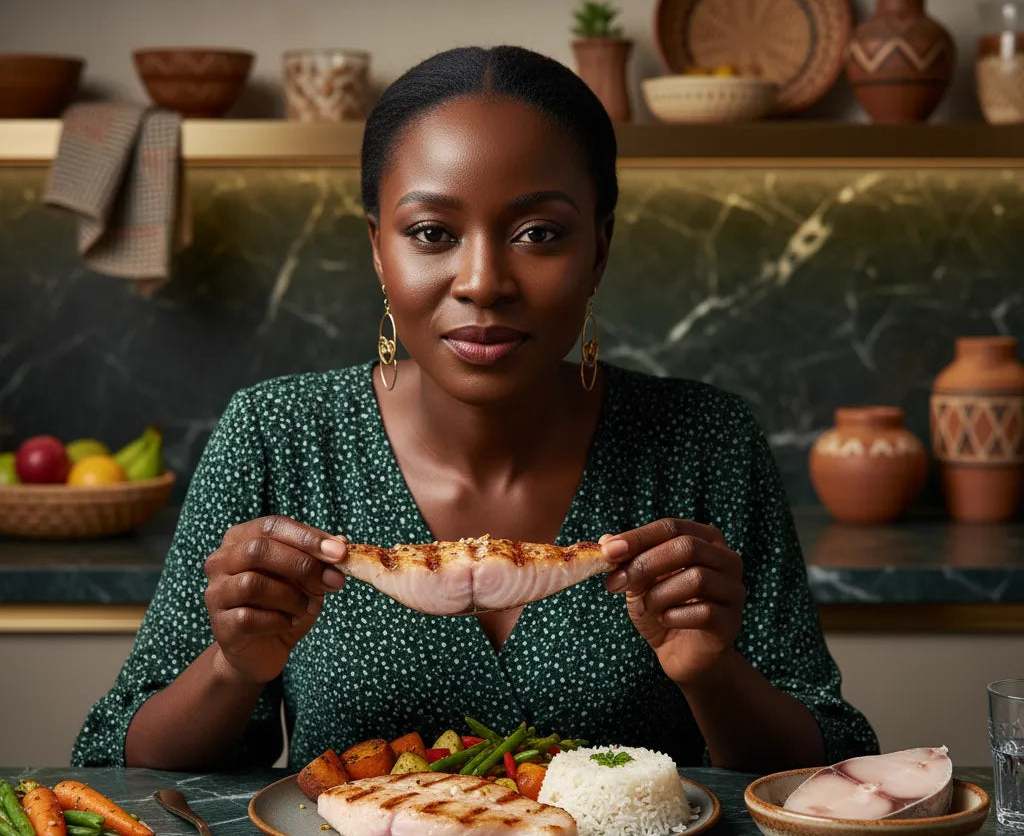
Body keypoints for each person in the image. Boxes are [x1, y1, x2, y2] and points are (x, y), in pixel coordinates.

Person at [72, 46, 877, 773]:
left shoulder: (708, 441)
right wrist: (231, 668)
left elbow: (832, 760)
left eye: (539, 233)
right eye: (431, 232)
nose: (483, 281)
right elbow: (119, 757)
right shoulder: (275, 434)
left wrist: (711, 673)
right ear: (378, 249)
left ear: (598, 250)